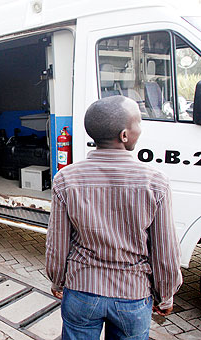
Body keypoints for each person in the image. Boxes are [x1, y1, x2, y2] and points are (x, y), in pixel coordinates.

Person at [46, 96, 182, 339]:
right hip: (133, 296)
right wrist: (165, 295)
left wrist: (57, 281)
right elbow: (165, 251)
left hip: (81, 291)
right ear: (124, 135)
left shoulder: (66, 179)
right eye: (138, 122)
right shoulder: (155, 182)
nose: (141, 128)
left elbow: (56, 244)